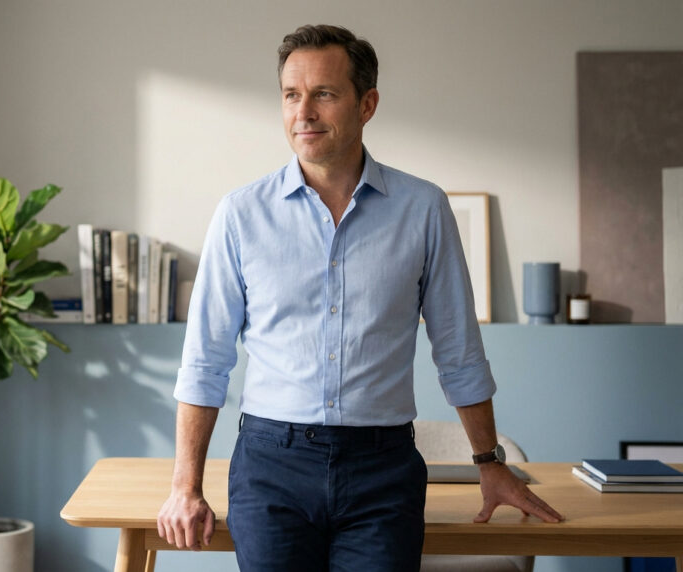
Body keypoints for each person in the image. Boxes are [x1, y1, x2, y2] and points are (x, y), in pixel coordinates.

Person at [155, 24, 564, 571]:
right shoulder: (240, 215)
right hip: (271, 467)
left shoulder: (423, 209)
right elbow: (205, 360)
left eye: (323, 94)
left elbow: (459, 351)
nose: (303, 113)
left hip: (382, 472)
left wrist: (489, 463)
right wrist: (185, 487)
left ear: (367, 104)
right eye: (291, 95)